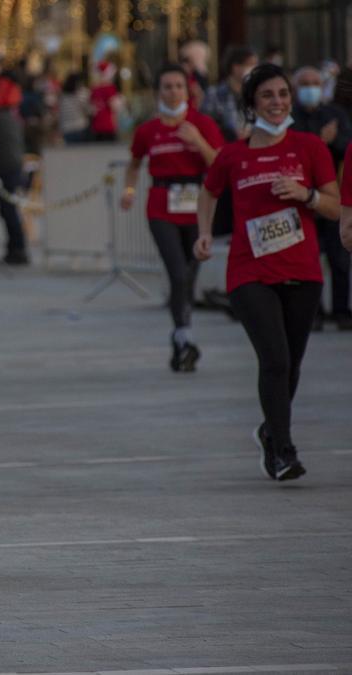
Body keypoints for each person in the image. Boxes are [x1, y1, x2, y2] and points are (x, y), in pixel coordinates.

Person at [195, 63, 339, 481]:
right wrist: (204, 234)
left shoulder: (310, 148)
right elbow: (208, 192)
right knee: (274, 359)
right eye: (268, 96)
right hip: (249, 273)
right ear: (251, 105)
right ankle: (284, 450)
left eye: (283, 94)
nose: (278, 103)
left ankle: (269, 430)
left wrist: (306, 194)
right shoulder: (233, 155)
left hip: (303, 271)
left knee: (290, 366)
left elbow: (334, 205)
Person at [122, 64, 224, 372]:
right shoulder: (148, 130)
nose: (173, 91)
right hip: (161, 206)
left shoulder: (201, 124)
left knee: (190, 275)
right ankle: (184, 334)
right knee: (177, 273)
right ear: (158, 92)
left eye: (179, 86)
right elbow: (135, 162)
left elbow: (219, 164)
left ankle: (182, 335)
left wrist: (198, 142)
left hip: (196, 205)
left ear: (187, 89)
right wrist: (128, 190)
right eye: (167, 86)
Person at [292, 65, 352, 331]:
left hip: (333, 195)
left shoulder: (335, 114)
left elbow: (347, 147)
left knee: (339, 258)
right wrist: (319, 141)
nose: (310, 88)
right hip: (301, 197)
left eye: (315, 83)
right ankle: (313, 313)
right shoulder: (290, 118)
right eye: (304, 84)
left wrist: (333, 139)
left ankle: (341, 311)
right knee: (308, 260)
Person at [0, 71, 31, 264]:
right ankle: (16, 248)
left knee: (8, 209)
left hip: (5, 166)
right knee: (9, 208)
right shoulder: (12, 115)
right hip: (14, 164)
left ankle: (17, 249)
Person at [203, 46, 259, 142]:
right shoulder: (214, 94)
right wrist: (230, 133)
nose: (254, 69)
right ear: (235, 67)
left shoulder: (257, 93)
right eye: (250, 64)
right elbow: (206, 123)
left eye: (255, 65)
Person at [89, 60, 124, 142]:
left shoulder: (94, 89)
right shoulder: (110, 88)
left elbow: (91, 107)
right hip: (108, 125)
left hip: (96, 126)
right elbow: (115, 106)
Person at [58, 73, 93, 143]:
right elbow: (88, 110)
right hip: (80, 127)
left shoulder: (62, 96)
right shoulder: (81, 93)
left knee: (71, 152)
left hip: (66, 128)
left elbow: (60, 113)